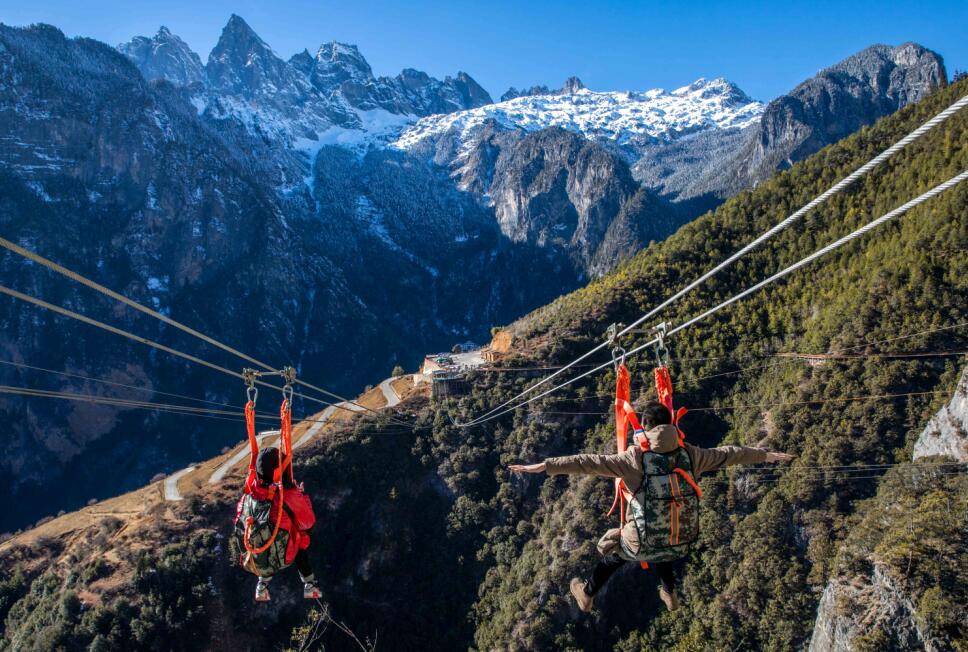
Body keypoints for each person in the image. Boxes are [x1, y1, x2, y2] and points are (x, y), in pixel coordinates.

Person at [509, 401, 793, 613]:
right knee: (662, 539)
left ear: (645, 428)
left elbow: (588, 462)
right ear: (670, 425)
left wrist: (545, 466)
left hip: (641, 543)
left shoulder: (634, 459)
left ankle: (586, 593)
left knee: (615, 550)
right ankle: (669, 591)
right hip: (682, 541)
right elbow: (731, 454)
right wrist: (765, 455)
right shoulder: (691, 455)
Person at [234, 446, 322, 602]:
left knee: (266, 534)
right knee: (300, 535)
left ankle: (262, 585)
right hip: (282, 557)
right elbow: (308, 522)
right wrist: (302, 496)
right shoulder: (286, 496)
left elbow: (239, 523)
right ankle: (309, 584)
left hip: (254, 558)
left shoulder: (248, 496)